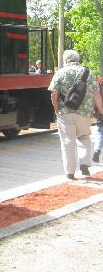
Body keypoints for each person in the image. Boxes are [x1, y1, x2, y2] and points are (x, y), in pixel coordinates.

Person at [48, 50, 103, 179]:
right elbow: (96, 94)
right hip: (85, 113)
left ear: (65, 60)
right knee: (84, 137)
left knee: (68, 142)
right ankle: (84, 164)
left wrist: (56, 108)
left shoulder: (60, 73)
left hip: (65, 113)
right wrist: (101, 111)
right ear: (78, 59)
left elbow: (54, 94)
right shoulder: (88, 73)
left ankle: (70, 172)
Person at [93, 77, 103, 163]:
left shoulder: (100, 81)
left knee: (100, 133)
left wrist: (96, 111)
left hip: (101, 112)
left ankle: (97, 150)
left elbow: (96, 96)